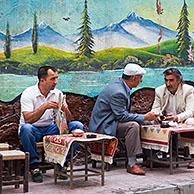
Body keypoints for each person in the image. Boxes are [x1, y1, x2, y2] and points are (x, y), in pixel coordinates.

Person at [89, 63, 158, 175]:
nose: (141, 81)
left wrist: (144, 118)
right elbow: (121, 116)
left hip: (111, 121)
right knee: (133, 126)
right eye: (140, 77)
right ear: (133, 78)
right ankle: (132, 163)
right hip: (104, 125)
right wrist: (144, 116)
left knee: (145, 122)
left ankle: (150, 157)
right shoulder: (118, 92)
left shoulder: (119, 83)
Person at [19, 66, 83, 183]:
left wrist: (65, 109)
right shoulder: (28, 93)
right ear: (42, 80)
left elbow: (69, 120)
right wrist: (44, 107)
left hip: (50, 128)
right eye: (52, 79)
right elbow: (28, 119)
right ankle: (34, 167)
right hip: (34, 129)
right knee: (26, 129)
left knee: (77, 126)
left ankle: (62, 162)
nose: (56, 82)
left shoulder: (57, 93)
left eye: (56, 78)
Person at [151, 67, 194, 168]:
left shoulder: (189, 90)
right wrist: (159, 116)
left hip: (182, 118)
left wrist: (176, 117)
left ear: (179, 80)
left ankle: (192, 156)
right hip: (166, 120)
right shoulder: (159, 90)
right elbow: (155, 109)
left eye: (171, 80)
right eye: (166, 80)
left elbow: (190, 111)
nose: (168, 84)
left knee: (191, 121)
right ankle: (152, 157)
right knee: (150, 122)